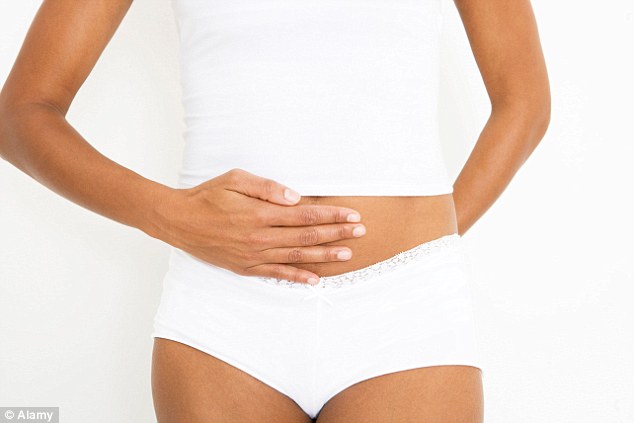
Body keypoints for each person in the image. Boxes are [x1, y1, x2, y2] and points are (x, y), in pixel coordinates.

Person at [0, 0, 550, 422]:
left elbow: (523, 101)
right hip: (224, 306)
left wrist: (426, 242)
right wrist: (169, 215)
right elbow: (22, 111)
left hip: (403, 306)